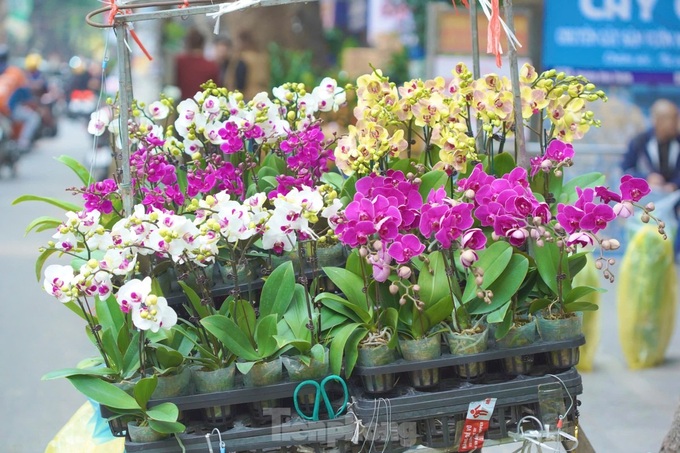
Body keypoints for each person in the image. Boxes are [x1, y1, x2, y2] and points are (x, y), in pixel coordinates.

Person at [622, 99, 680, 191]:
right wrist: (647, 178)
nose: (675, 123)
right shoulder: (639, 141)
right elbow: (626, 170)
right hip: (646, 196)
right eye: (671, 118)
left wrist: (675, 184)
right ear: (657, 120)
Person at [0, 46, 41, 153]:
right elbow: (25, 92)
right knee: (34, 118)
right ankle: (23, 142)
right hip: (9, 110)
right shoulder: (15, 72)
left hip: (7, 111)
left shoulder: (16, 72)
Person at [175, 28, 219, 100]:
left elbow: (176, 83)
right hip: (204, 106)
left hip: (184, 104)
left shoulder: (181, 62)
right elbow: (215, 89)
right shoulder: (211, 65)